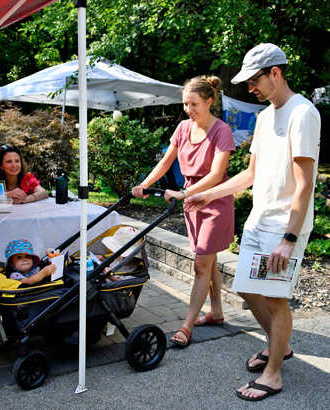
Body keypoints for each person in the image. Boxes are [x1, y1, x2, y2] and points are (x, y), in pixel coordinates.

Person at [184, 43, 320, 401]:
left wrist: (289, 238)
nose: (249, 89)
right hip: (259, 220)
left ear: (275, 72)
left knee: (276, 299)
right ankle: (282, 346)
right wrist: (207, 194)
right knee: (246, 287)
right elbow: (251, 174)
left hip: (284, 226)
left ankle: (273, 374)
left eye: (254, 80)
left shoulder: (302, 113)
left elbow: (305, 184)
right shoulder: (264, 117)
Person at [132, 75, 236, 348]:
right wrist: (145, 184)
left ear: (209, 101)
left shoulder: (221, 130)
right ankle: (216, 313)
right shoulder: (182, 128)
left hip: (214, 201)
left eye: (194, 103)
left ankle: (187, 325)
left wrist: (186, 193)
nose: (189, 109)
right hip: (192, 202)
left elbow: (216, 175)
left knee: (201, 263)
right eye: (185, 104)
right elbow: (166, 162)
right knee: (207, 260)